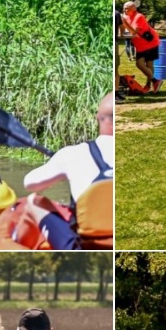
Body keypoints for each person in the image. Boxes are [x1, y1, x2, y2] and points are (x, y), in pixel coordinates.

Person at [19, 92, 116, 250]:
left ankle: (16, 244)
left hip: (81, 247)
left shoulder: (72, 153)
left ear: (97, 118)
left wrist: (60, 163)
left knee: (34, 200)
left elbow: (29, 183)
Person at [121, 1, 162, 91]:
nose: (124, 10)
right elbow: (124, 28)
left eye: (127, 8)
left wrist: (125, 23)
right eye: (124, 8)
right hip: (140, 45)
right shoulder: (126, 17)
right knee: (140, 64)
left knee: (148, 64)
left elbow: (134, 32)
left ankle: (149, 84)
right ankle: (155, 81)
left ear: (133, 9)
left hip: (150, 43)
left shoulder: (139, 17)